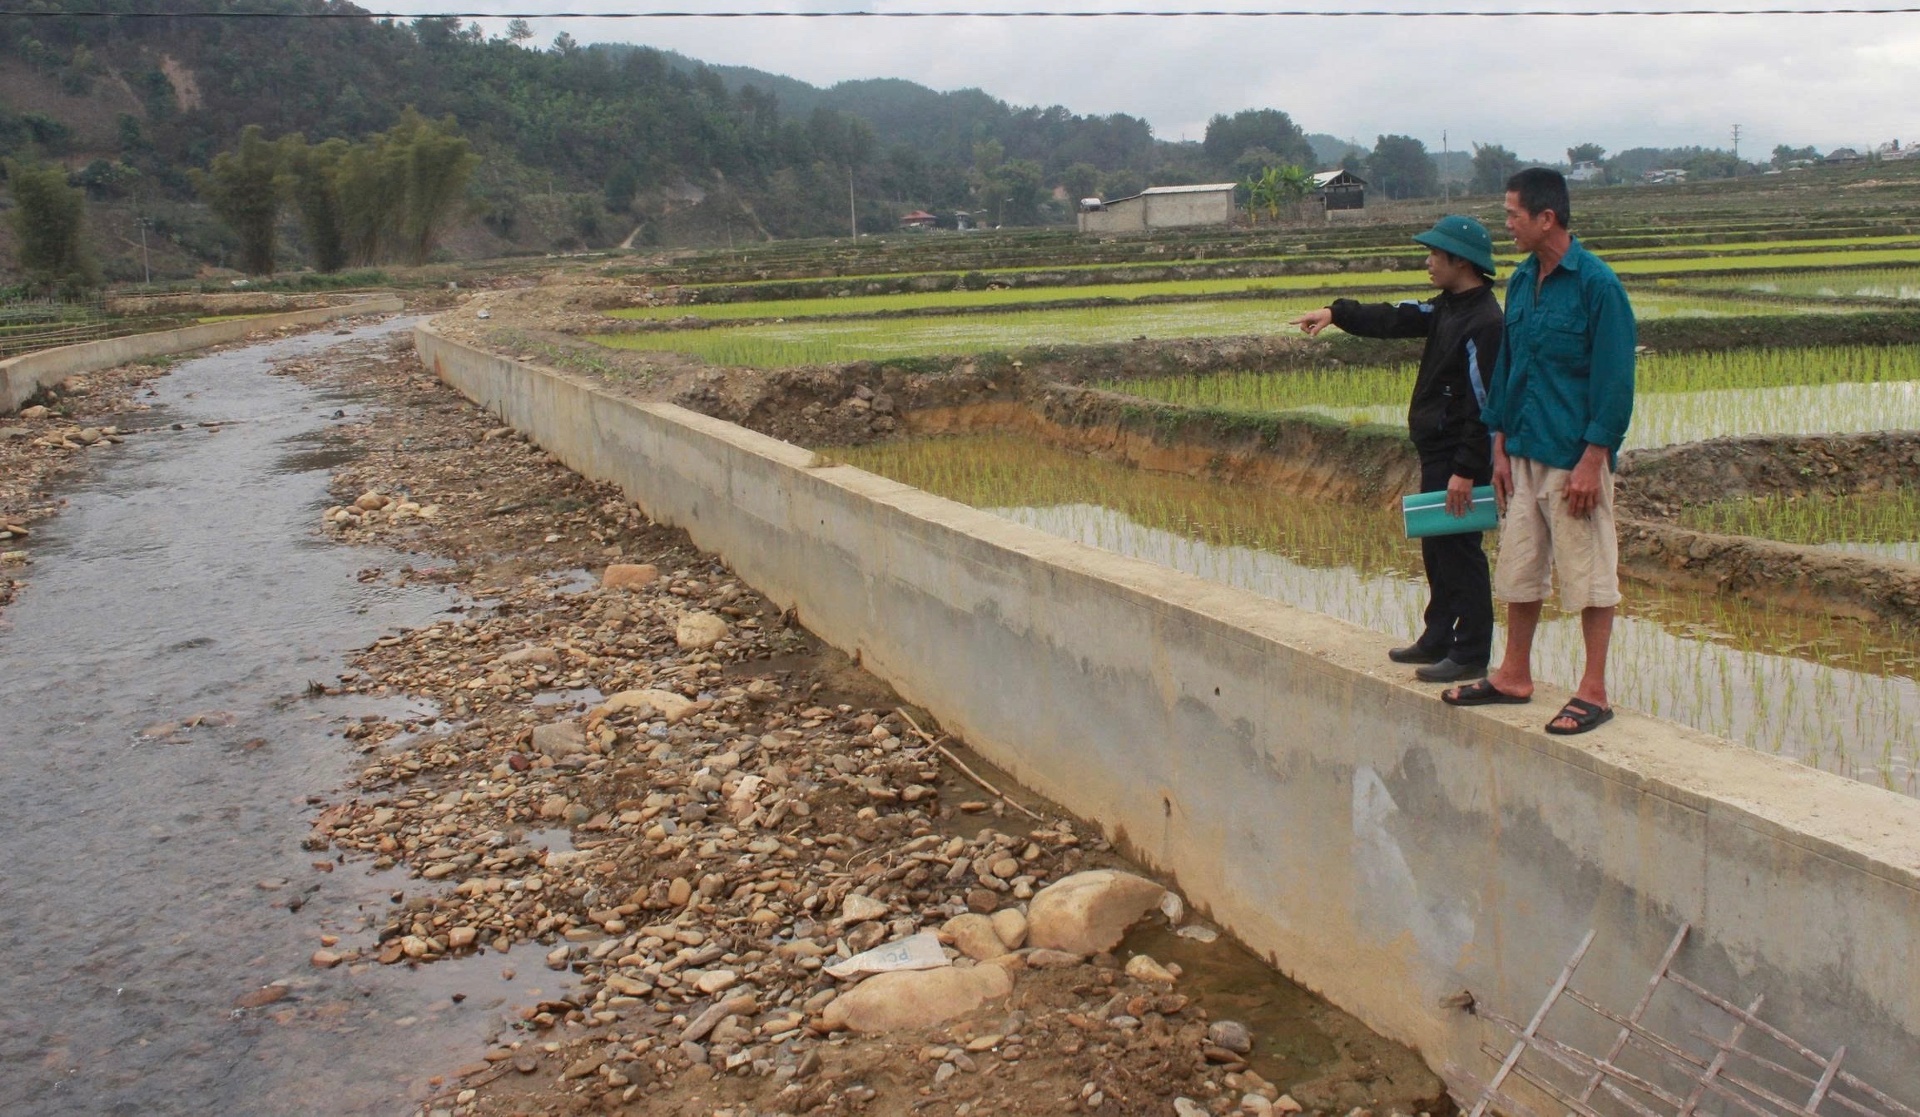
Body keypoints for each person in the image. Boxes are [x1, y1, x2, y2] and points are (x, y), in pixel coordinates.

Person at [1442, 168, 1635, 735]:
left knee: (1590, 574)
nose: (1506, 226)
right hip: (1522, 450)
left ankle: (1593, 691)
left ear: (1545, 218)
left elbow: (1616, 381)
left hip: (1573, 456)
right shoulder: (1523, 282)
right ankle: (1513, 675)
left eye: (1512, 216)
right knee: (1519, 567)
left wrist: (1593, 459)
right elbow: (1508, 367)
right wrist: (1498, 443)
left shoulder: (1599, 286)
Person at [1294, 215, 1504, 684]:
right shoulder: (1448, 307)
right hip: (1437, 450)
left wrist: (1468, 470)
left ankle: (1470, 651)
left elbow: (1484, 406)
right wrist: (1337, 313)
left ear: (1460, 261)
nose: (1427, 262)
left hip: (1457, 456)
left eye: (1434, 254)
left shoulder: (1485, 322)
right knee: (1437, 545)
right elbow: (1396, 316)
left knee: (1460, 550)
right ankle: (1437, 637)